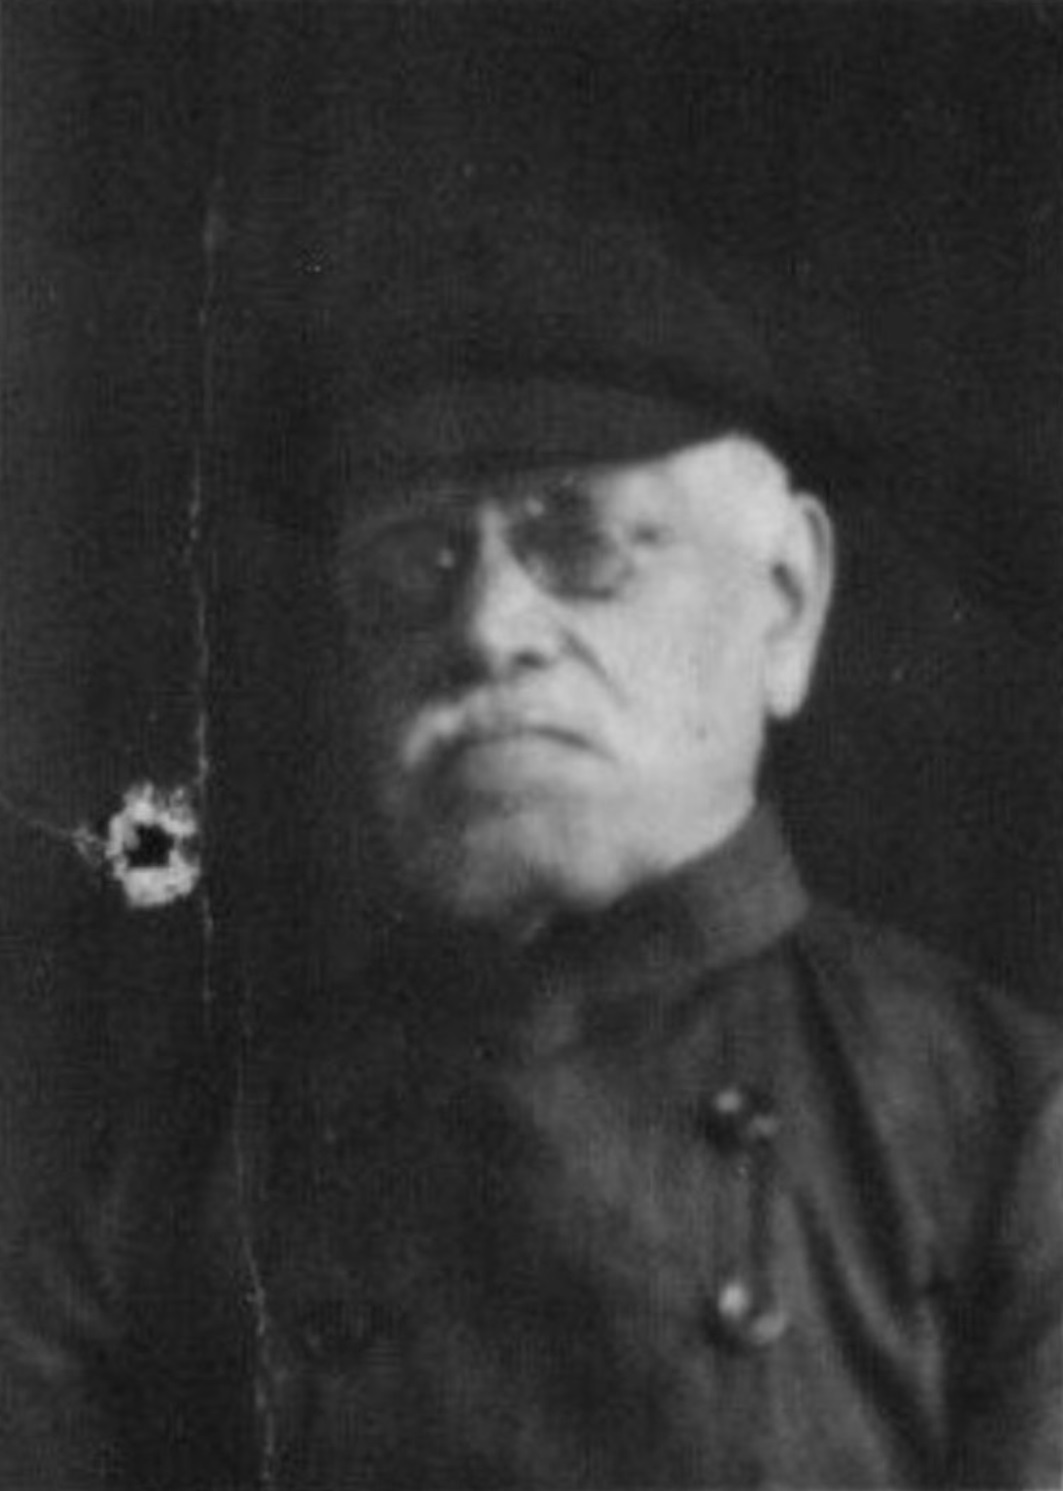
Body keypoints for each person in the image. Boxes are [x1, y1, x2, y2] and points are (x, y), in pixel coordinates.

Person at [0, 194, 1060, 1491]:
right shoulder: (165, 1189)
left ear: (786, 602)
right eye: (416, 564)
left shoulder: (1008, 1141)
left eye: (581, 541)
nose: (487, 629)